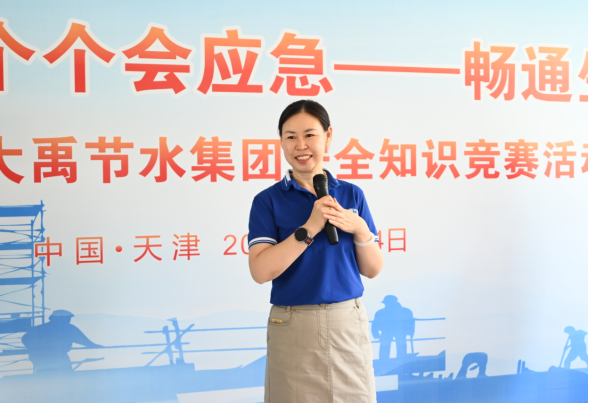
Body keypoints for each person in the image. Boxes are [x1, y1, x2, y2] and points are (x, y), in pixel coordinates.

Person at [248, 100, 384, 402]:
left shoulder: (351, 194)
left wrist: (360, 229)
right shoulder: (267, 201)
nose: (301, 145)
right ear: (281, 141)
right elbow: (260, 271)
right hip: (293, 323)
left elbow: (373, 269)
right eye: (291, 136)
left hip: (347, 321)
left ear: (328, 135)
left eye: (310, 135)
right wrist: (309, 228)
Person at [22, 310, 103, 373]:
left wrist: (36, 350)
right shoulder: (68, 328)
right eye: (68, 318)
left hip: (42, 358)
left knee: (45, 378)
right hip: (57, 358)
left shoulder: (41, 328)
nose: (69, 320)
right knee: (64, 377)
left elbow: (25, 338)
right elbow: (85, 341)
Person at [372, 295, 415, 360]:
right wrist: (376, 334)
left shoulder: (380, 312)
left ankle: (386, 360)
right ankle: (388, 359)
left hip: (396, 332)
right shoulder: (406, 311)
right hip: (392, 332)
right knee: (389, 346)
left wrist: (376, 334)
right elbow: (375, 324)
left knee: (397, 345)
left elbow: (411, 323)